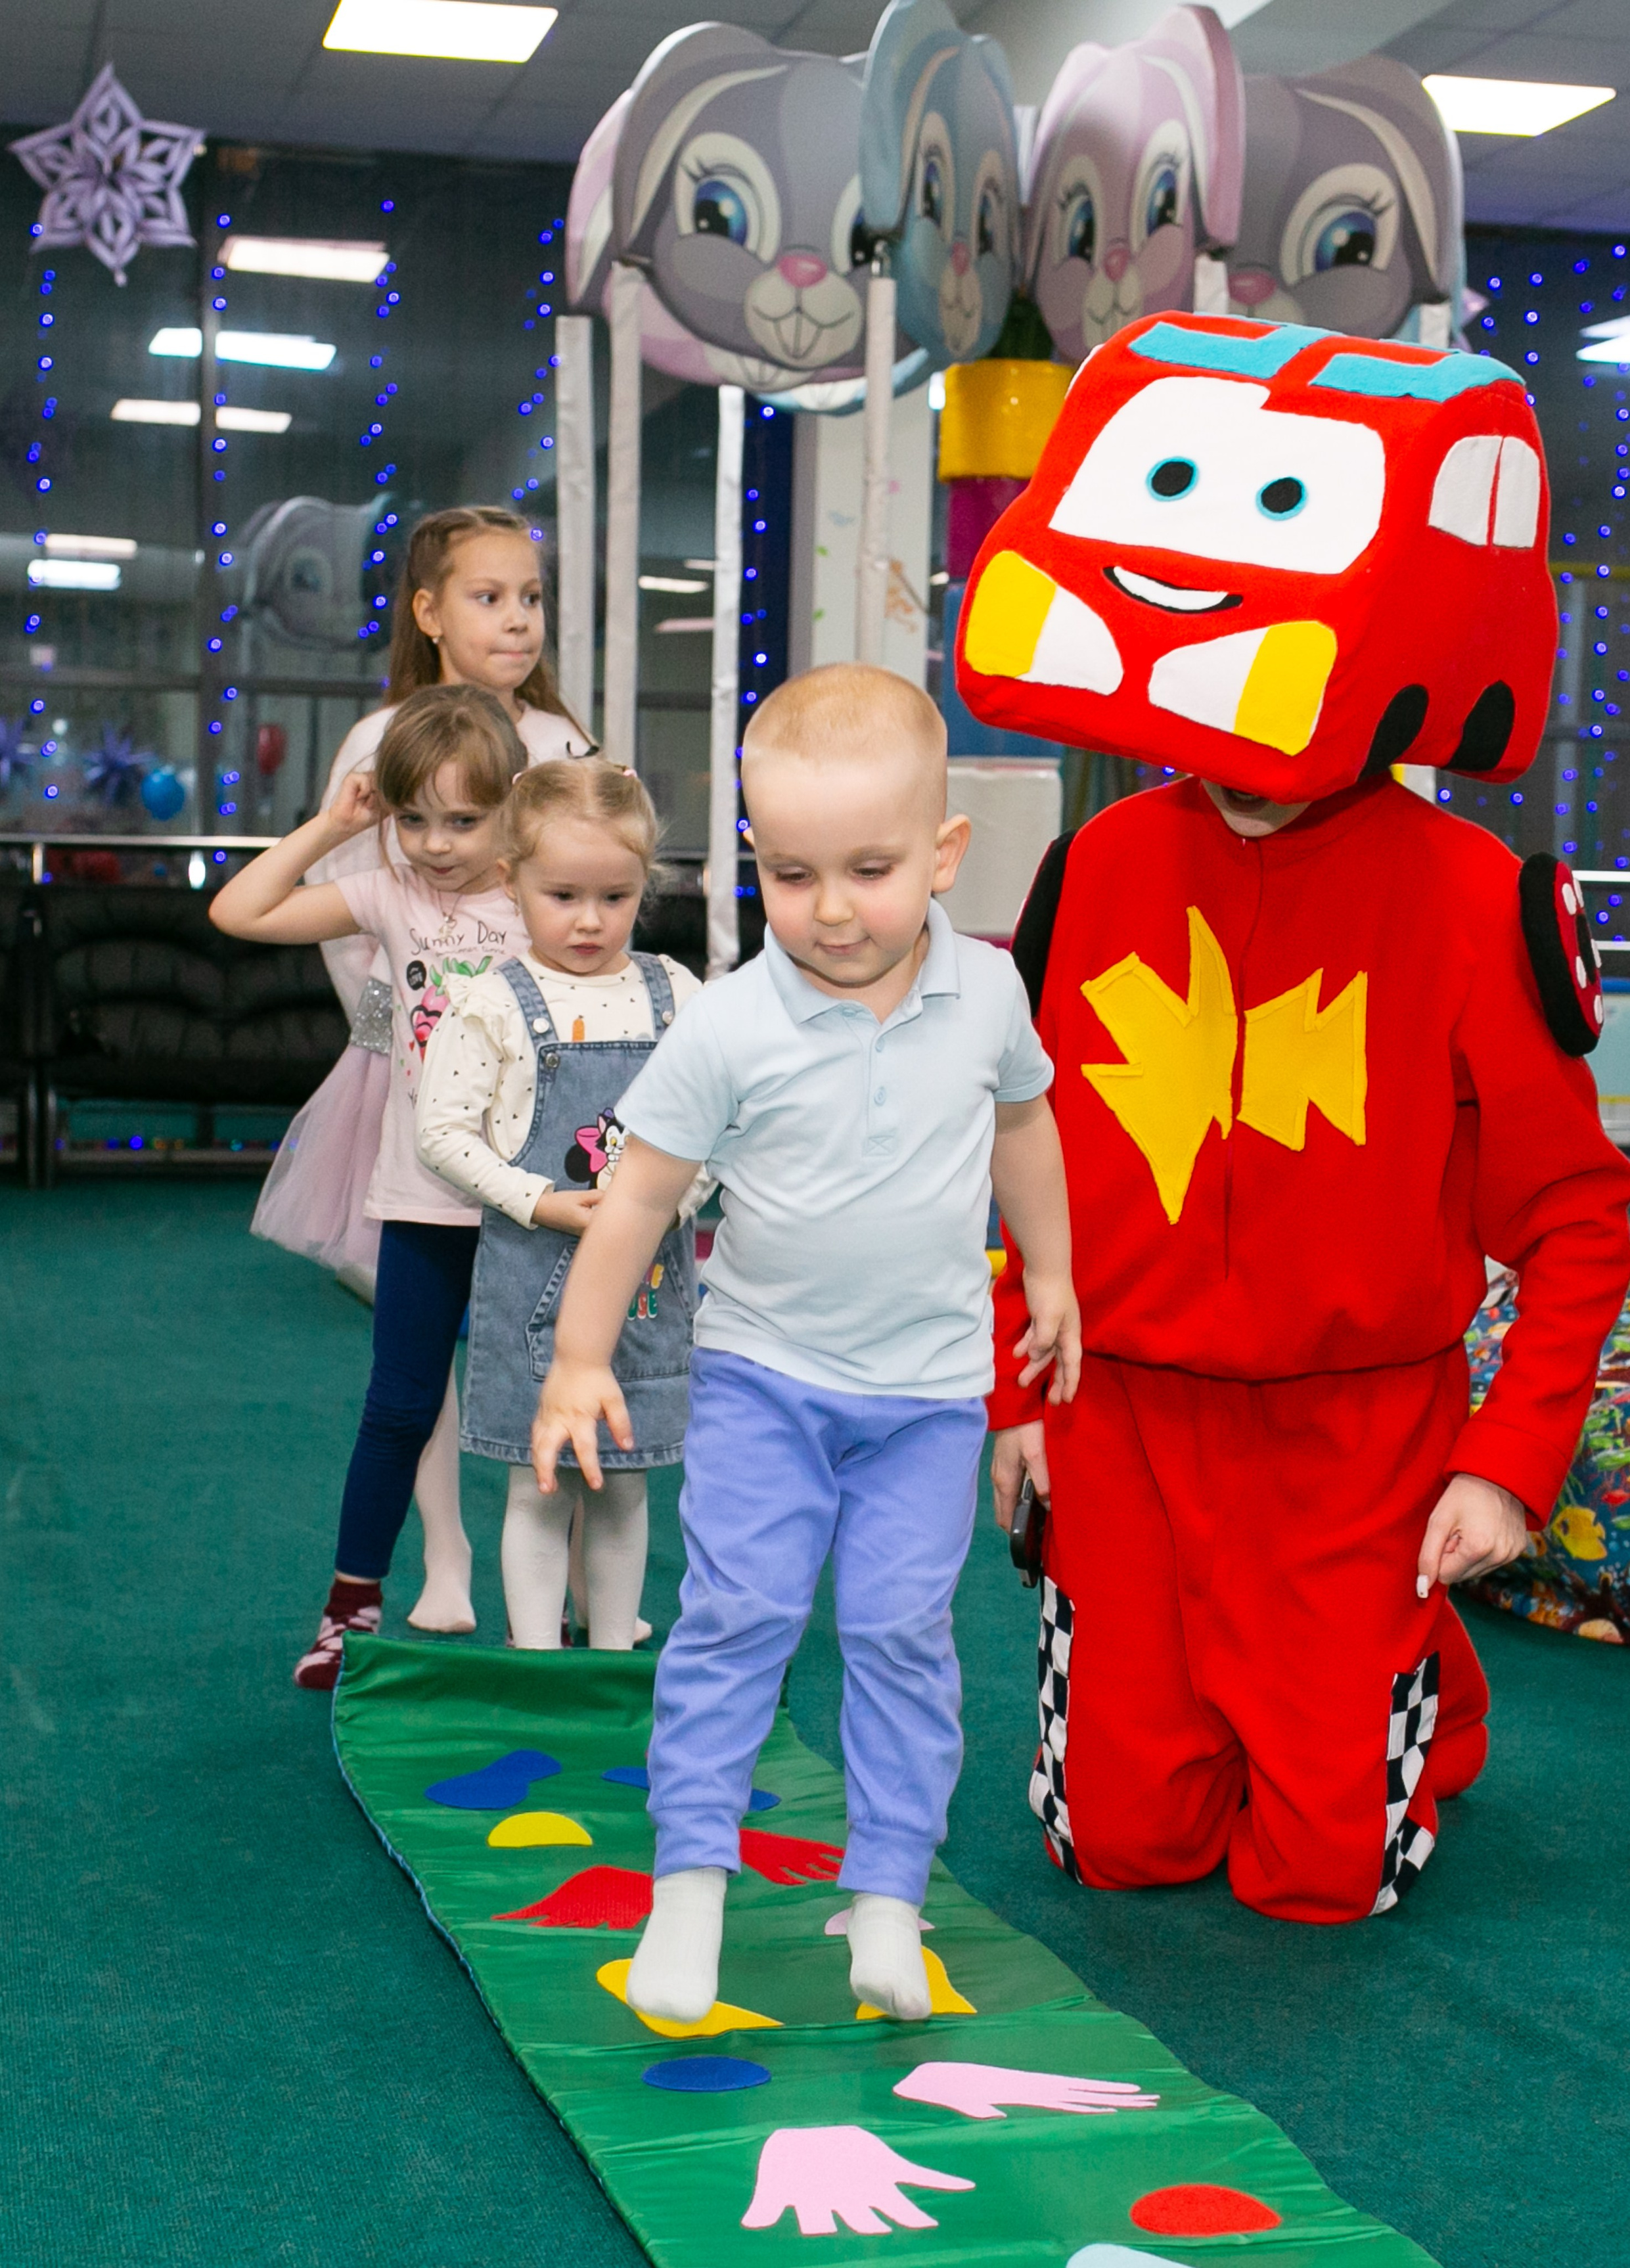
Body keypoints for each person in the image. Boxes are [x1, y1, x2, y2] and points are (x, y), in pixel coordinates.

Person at [952, 309, 1630, 1922]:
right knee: (1122, 1847)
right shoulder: (1092, 873)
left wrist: (1505, 1462)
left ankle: (1408, 1675)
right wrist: (1015, 1397)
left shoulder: (1476, 900)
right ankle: (1283, 1677)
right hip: (1117, 1415)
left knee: (1319, 1881)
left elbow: (1572, 1217)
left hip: (1353, 1443)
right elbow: (1005, 1166)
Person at [531, 663, 1081, 2026]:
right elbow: (639, 1198)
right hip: (765, 1381)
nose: (830, 910)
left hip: (927, 1397)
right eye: (789, 874)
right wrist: (579, 1359)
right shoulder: (729, 1023)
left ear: (944, 853)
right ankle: (690, 1883)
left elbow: (1022, 1128)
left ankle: (888, 1893)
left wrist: (1053, 1272)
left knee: (902, 1630)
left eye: (869, 869)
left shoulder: (993, 995)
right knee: (739, 1618)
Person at [252, 505, 593, 1635]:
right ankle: (439, 1560)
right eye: (489, 598)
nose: (517, 619)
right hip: (413, 1089)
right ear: (431, 613)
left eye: (530, 597)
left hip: (542, 1121)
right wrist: (426, 1046)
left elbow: (594, 908)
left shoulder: (560, 745)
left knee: (545, 1353)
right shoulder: (380, 744)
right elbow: (360, 917)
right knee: (418, 1363)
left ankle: (577, 1590)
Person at [212, 685, 535, 1690]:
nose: (436, 844)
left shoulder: (542, 895)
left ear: (514, 809)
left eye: (465, 820)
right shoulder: (390, 895)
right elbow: (239, 910)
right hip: (426, 1196)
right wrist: (333, 825)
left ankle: (567, 1608)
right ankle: (351, 1608)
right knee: (398, 1405)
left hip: (536, 1205)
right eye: (414, 819)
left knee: (545, 1408)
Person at [415, 760, 702, 1651]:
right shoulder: (493, 1001)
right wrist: (540, 1200)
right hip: (532, 1278)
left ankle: (613, 1655)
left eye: (615, 897)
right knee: (539, 1484)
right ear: (512, 881)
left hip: (648, 1295)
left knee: (622, 1482)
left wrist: (675, 1196)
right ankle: (536, 1664)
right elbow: (444, 1134)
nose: (589, 920)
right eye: (563, 894)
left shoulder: (678, 995)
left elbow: (723, 1126)